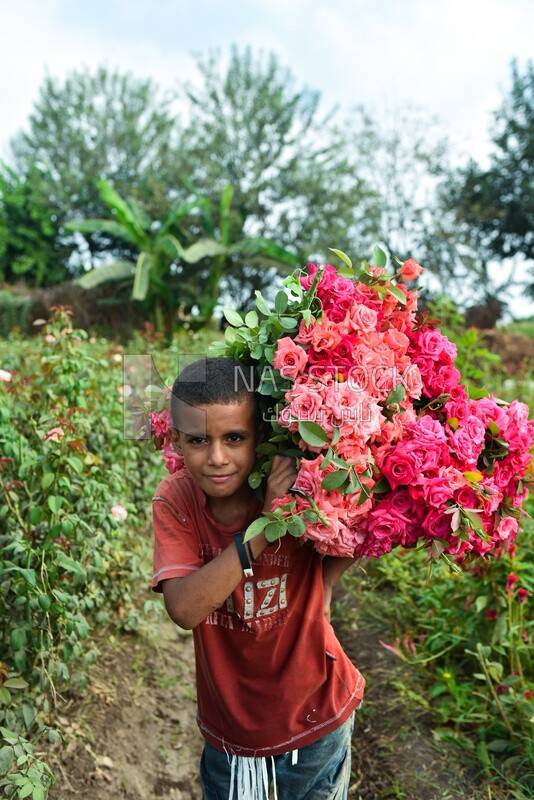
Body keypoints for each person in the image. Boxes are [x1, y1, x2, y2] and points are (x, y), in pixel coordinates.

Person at [151, 357, 365, 800]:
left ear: (261, 438)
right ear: (175, 440)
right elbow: (185, 609)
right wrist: (264, 529)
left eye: (234, 438)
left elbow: (367, 520)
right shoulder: (177, 500)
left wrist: (325, 584)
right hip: (230, 732)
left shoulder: (298, 483)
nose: (216, 458)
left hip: (314, 720)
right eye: (197, 440)